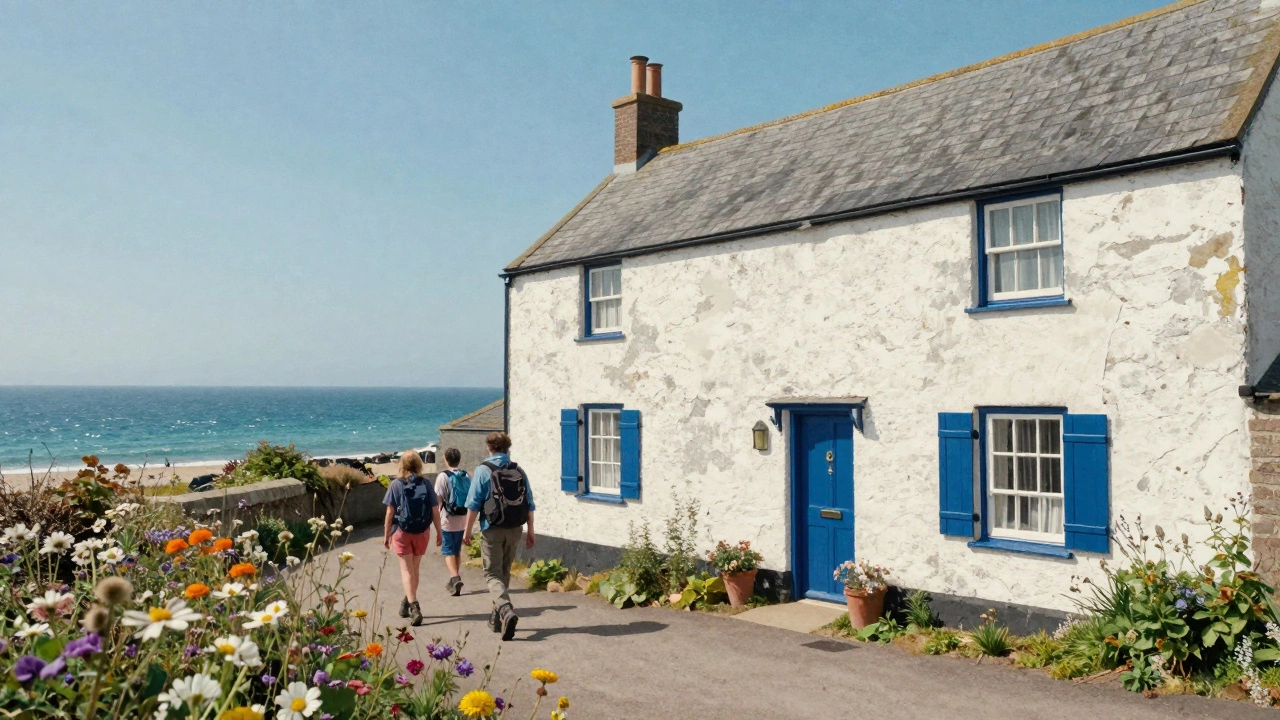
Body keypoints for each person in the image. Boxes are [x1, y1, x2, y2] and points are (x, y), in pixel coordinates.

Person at [461, 432, 534, 641]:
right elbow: (529, 502)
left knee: (492, 574)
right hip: (515, 528)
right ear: (507, 448)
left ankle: (504, 609)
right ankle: (497, 617)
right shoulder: (518, 470)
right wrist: (531, 531)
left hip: (492, 527)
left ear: (489, 448)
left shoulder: (484, 470)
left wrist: (467, 532)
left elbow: (473, 504)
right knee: (504, 571)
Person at [382, 450, 442, 626]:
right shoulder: (426, 484)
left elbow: (389, 512)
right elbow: (434, 510)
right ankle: (406, 602)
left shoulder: (396, 484)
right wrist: (439, 532)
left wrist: (386, 535)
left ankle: (414, 607)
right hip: (422, 531)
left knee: (407, 571)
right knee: (414, 569)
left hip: (402, 531)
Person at [434, 447, 474, 596]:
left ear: (445, 459)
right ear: (459, 459)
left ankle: (454, 577)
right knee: (456, 550)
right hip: (462, 518)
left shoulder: (442, 476)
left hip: (448, 519)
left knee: (448, 551)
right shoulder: (466, 475)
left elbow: (438, 499)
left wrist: (438, 518)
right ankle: (455, 582)